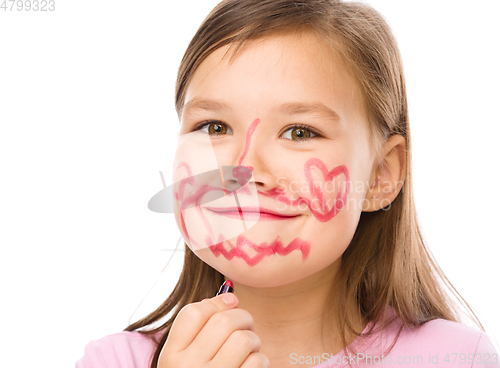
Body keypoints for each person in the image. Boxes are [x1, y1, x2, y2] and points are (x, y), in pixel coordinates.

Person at [76, 1, 499, 367]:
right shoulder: (114, 361)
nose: (246, 168)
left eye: (299, 132)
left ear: (381, 176)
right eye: (215, 126)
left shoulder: (456, 358)